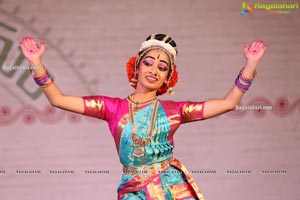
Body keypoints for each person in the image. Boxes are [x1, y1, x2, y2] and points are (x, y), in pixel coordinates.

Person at [19, 33, 266, 200]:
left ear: (168, 78)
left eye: (162, 68)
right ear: (136, 66)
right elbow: (58, 100)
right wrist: (35, 63)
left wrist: (250, 65)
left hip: (171, 186)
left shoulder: (175, 111)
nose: (154, 70)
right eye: (148, 63)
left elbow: (228, 103)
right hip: (133, 189)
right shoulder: (111, 107)